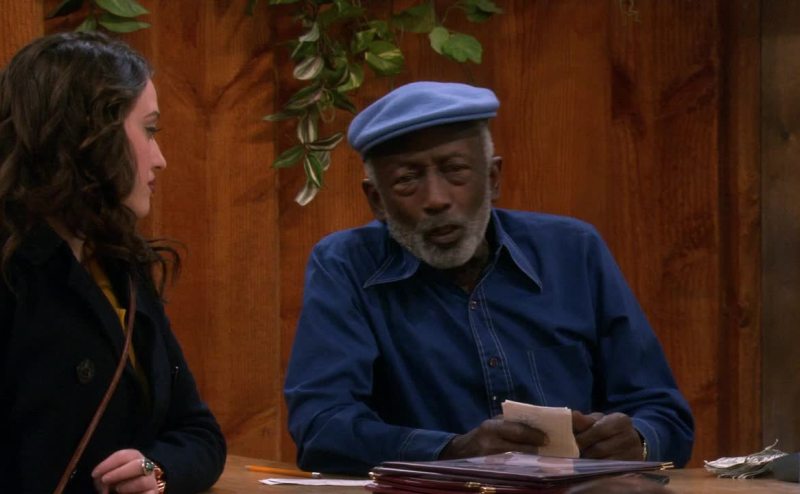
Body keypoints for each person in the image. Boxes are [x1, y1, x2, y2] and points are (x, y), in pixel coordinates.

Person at [284, 81, 694, 475]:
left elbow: (665, 415)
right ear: (377, 200)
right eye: (407, 180)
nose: (436, 200)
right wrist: (452, 452)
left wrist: (638, 440)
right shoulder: (346, 265)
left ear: (493, 178)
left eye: (455, 171)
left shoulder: (573, 251)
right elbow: (321, 426)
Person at [0, 32, 226, 493]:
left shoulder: (122, 264)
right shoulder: (12, 271)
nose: (160, 159)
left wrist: (156, 471)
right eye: (149, 130)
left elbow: (198, 433)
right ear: (90, 133)